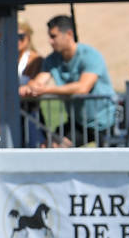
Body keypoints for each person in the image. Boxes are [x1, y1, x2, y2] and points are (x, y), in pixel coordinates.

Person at [21, 15, 117, 147]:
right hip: (78, 123)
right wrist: (29, 87)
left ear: (69, 34)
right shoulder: (51, 60)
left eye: (53, 36)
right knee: (50, 146)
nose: (50, 41)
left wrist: (46, 90)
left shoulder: (90, 55)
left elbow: (83, 88)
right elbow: (38, 82)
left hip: (106, 122)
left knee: (109, 159)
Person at [0, 20, 46, 147]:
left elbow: (32, 85)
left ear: (28, 38)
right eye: (14, 36)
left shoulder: (35, 59)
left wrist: (4, 92)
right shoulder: (3, 60)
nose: (17, 40)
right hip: (7, 115)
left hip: (30, 114)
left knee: (34, 148)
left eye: (21, 36)